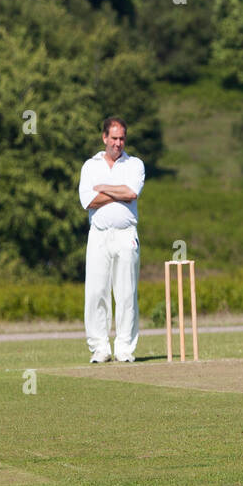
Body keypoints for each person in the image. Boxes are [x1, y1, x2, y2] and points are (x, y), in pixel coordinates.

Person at [79, 116, 145, 364]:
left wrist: (104, 187)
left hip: (126, 234)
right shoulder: (90, 165)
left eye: (122, 138)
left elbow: (132, 193)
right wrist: (118, 192)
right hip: (99, 234)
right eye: (114, 138)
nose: (118, 143)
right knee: (96, 292)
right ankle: (99, 348)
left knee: (126, 293)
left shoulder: (135, 164)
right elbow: (88, 201)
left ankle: (124, 348)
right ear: (104, 137)